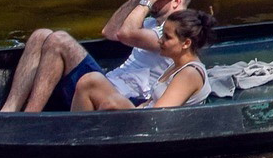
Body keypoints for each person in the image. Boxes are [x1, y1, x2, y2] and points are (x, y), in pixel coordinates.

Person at [0, 0, 195, 113]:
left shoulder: (176, 34)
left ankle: (29, 118)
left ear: (176, 0)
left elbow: (125, 34)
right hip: (108, 83)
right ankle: (8, 112)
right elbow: (109, 31)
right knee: (40, 35)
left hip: (126, 99)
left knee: (59, 40)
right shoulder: (150, 21)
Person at [68, 9, 216, 111]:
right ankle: (77, 135)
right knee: (90, 80)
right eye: (162, 35)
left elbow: (158, 116)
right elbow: (149, 103)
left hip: (152, 129)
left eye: (167, 37)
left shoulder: (189, 74)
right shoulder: (175, 65)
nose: (160, 41)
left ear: (186, 43)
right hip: (144, 116)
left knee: (109, 102)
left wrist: (116, 107)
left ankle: (80, 141)